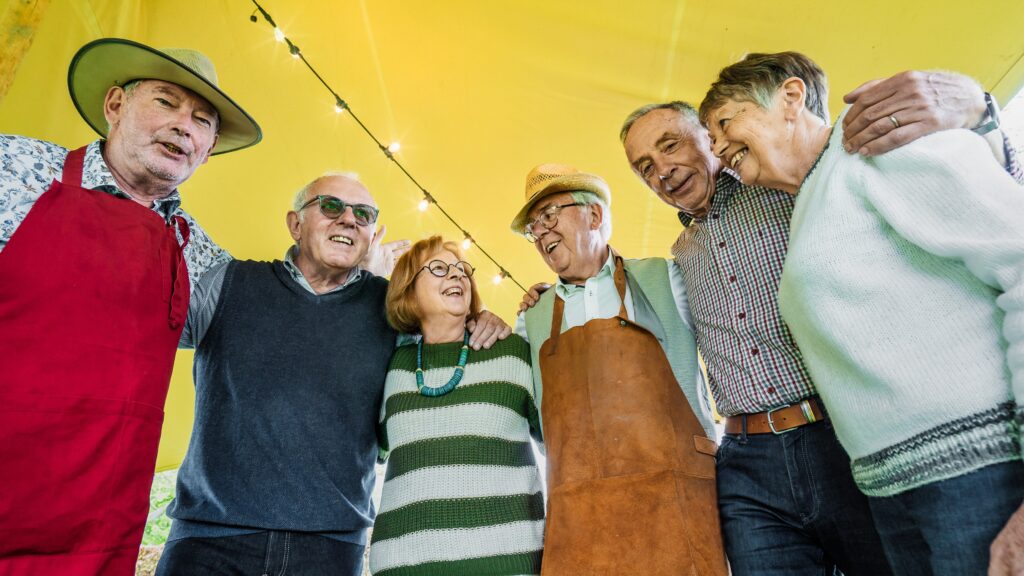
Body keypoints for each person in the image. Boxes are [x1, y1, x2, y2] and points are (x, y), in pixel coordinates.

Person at [617, 62, 1023, 575]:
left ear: (707, 135)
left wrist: (979, 110)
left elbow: (997, 216)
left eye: (671, 145)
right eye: (644, 167)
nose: (661, 170)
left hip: (841, 438)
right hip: (753, 454)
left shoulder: (795, 181)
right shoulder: (679, 256)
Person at [156, 174, 511, 576]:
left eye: (363, 214)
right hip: (209, 542)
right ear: (295, 224)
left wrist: (483, 318)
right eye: (330, 206)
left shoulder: (393, 312)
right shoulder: (227, 283)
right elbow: (137, 318)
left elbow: (447, 333)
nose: (348, 219)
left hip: (330, 549)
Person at [0, 38, 261, 574]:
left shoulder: (205, 260)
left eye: (202, 120)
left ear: (208, 149)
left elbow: (287, 325)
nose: (183, 126)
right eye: (165, 101)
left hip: (94, 540)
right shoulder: (14, 168)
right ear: (115, 105)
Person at [511, 163, 727, 575]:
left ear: (594, 216)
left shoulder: (667, 277)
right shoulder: (532, 318)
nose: (541, 232)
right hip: (580, 514)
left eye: (550, 215)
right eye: (533, 226)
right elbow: (530, 419)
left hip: (678, 500)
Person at [369, 236, 544, 575]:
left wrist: (546, 304)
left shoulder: (512, 352)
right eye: (439, 268)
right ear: (407, 290)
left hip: (505, 564)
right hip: (403, 565)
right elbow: (370, 450)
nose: (457, 275)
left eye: (462, 270)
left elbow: (563, 442)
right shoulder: (393, 365)